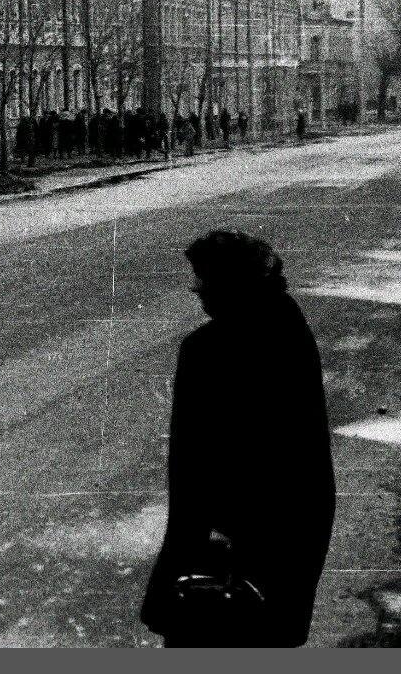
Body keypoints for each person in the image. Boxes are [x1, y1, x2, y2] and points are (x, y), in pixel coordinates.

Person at [141, 231, 335, 647]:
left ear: (231, 284)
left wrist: (179, 561)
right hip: (296, 526)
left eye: (205, 280)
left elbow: (193, 468)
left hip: (228, 540)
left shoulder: (209, 348)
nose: (198, 291)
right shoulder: (288, 325)